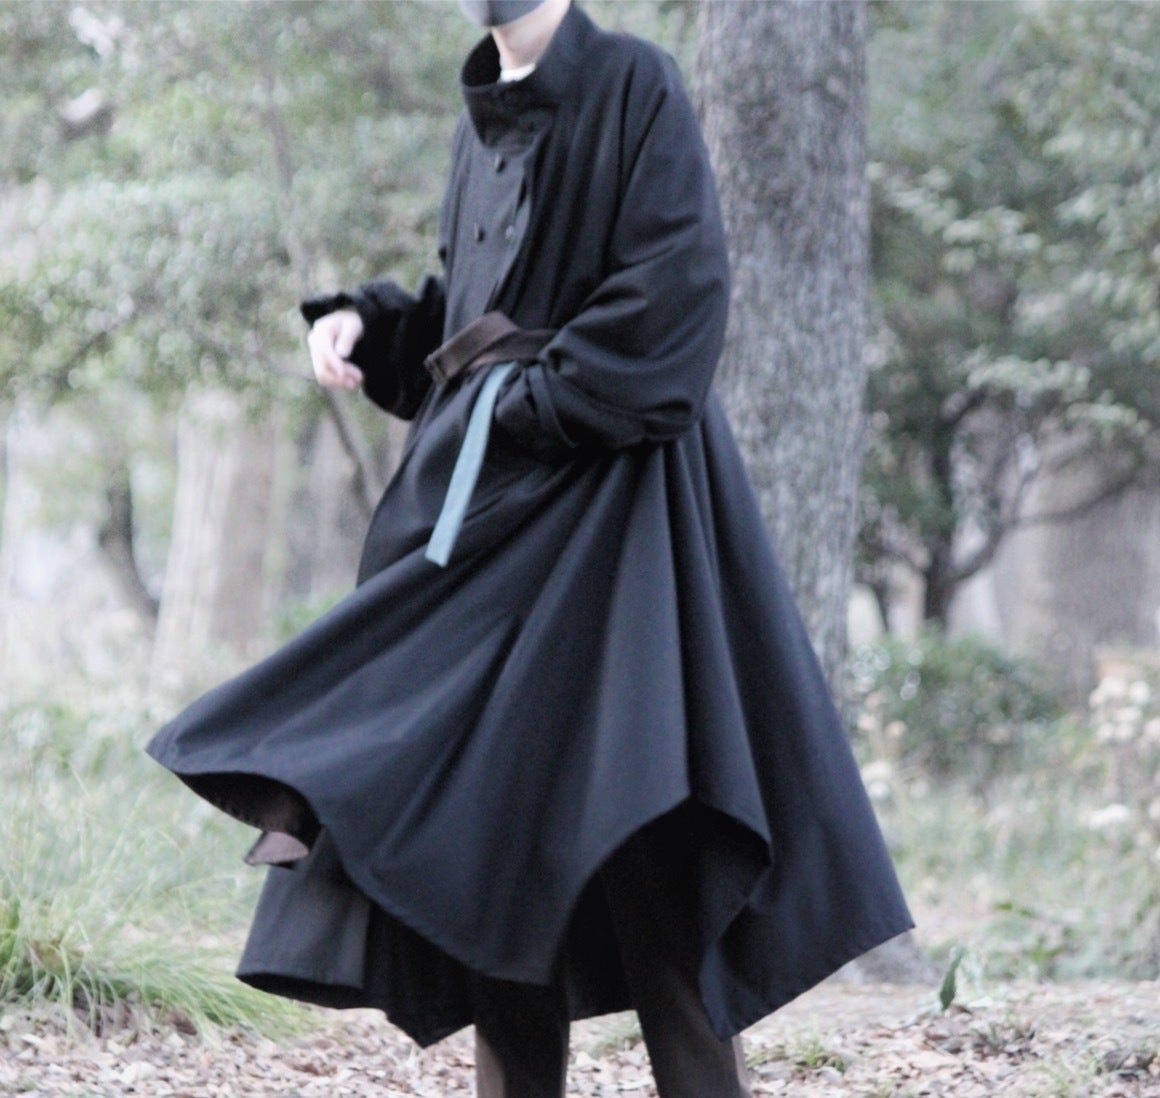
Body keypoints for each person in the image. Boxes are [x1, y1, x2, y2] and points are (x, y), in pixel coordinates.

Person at [147, 2, 913, 1095]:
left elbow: (676, 297)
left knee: (647, 830)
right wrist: (374, 325)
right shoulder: (483, 115)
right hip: (497, 539)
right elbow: (476, 317)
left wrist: (517, 411)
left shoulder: (635, 83)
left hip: (618, 533)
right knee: (492, 851)